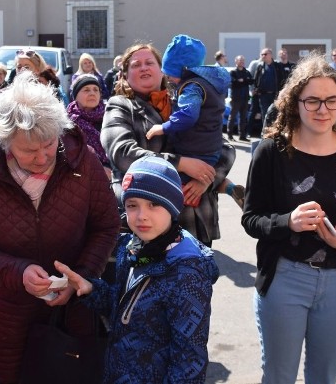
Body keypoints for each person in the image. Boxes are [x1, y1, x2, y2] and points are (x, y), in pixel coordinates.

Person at [0, 74, 119, 383]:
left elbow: (107, 225)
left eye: (49, 145)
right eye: (29, 151)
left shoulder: (82, 161)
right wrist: (18, 272)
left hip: (72, 311)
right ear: (5, 143)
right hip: (9, 314)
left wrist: (80, 276)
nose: (43, 158)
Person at [241, 53, 336, 384]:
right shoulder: (270, 151)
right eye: (313, 101)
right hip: (285, 278)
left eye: (331, 101)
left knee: (324, 377)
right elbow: (251, 219)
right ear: (294, 103)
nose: (323, 110)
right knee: (279, 377)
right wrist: (286, 221)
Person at [55, 156, 219, 383]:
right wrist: (91, 288)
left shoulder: (187, 272)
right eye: (132, 205)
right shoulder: (131, 247)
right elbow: (124, 309)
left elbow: (189, 362)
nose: (141, 215)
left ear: (173, 207)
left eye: (154, 204)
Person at [102, 42, 236, 247]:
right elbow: (122, 153)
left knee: (195, 277)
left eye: (150, 62)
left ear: (162, 69)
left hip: (195, 219)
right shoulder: (119, 105)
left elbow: (224, 145)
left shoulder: (187, 98)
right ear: (125, 74)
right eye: (136, 65)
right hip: (145, 225)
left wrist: (208, 178)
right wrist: (181, 163)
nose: (144, 67)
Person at [145, 34, 244, 209]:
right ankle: (228, 187)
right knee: (202, 177)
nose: (169, 79)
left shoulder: (191, 87)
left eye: (171, 73)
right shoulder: (211, 83)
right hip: (211, 146)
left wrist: (164, 127)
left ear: (183, 69)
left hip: (195, 149)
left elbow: (189, 114)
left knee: (184, 188)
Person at [66, 74, 111, 176]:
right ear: (75, 96)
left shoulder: (110, 115)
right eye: (86, 90)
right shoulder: (69, 122)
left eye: (96, 90)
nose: (92, 93)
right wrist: (98, 169)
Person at [252, 48, 284, 121]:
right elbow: (256, 80)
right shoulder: (260, 66)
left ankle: (275, 131)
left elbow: (283, 79)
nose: (263, 56)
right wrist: (256, 89)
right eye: (262, 54)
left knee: (276, 114)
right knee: (265, 115)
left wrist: (281, 92)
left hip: (275, 95)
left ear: (270, 55)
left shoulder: (277, 66)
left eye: (265, 54)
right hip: (263, 95)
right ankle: (265, 131)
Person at [229, 54, 253, 141]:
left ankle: (242, 136)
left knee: (243, 118)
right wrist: (242, 81)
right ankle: (230, 135)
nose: (242, 62)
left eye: (243, 61)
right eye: (240, 61)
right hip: (236, 98)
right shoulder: (233, 72)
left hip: (245, 98)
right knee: (232, 117)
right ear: (236, 61)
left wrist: (243, 81)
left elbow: (251, 81)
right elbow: (233, 82)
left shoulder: (246, 72)